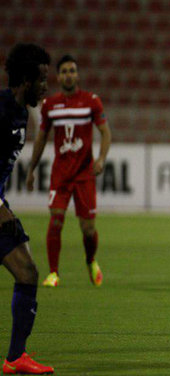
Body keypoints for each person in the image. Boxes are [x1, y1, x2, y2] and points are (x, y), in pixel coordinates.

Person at [26, 55, 111, 288]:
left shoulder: (91, 101)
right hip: (61, 174)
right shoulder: (51, 105)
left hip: (84, 175)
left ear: (78, 74)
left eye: (72, 70)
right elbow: (42, 137)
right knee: (56, 220)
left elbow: (105, 132)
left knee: (88, 228)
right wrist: (31, 169)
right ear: (58, 76)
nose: (68, 75)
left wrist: (102, 159)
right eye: (64, 71)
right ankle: (53, 273)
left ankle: (91, 260)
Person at [1, 43, 54, 374]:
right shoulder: (1, 109)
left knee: (28, 272)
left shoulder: (22, 113)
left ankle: (15, 358)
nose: (45, 86)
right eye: (42, 79)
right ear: (25, 80)